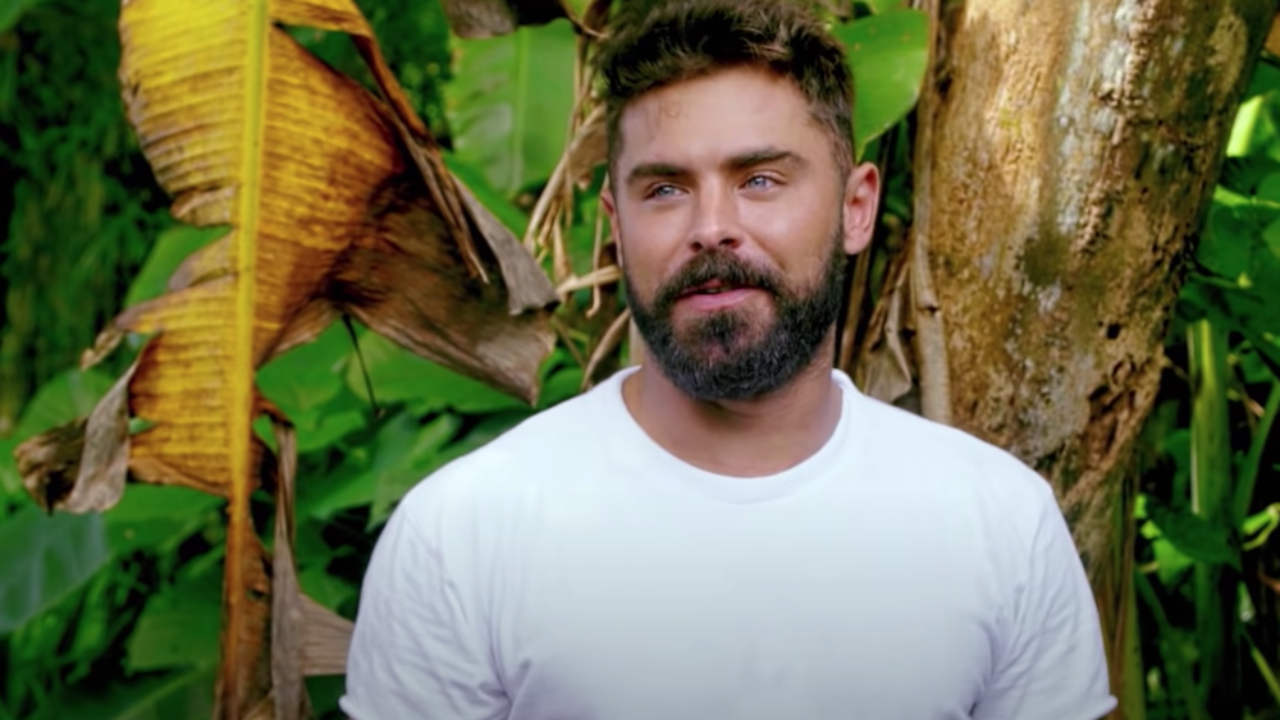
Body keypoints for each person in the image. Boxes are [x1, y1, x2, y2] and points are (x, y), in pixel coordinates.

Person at [340, 0, 1118, 718]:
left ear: (856, 208)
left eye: (761, 180)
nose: (712, 227)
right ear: (616, 225)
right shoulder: (467, 534)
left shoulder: (998, 525)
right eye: (666, 190)